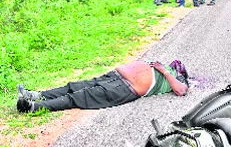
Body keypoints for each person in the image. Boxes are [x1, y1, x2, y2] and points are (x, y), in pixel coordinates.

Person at [16, 60, 189, 113]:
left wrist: (162, 71)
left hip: (125, 88)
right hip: (114, 77)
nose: (175, 65)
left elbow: (181, 91)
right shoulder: (164, 66)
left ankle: (32, 107)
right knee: (73, 86)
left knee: (77, 97)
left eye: (177, 66)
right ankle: (34, 95)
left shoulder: (176, 80)